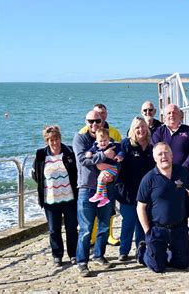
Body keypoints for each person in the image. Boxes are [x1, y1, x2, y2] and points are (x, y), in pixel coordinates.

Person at [136, 142, 189, 273]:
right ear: (155, 158)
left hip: (179, 228)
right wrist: (148, 231)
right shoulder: (149, 179)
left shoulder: (181, 172)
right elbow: (140, 207)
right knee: (157, 268)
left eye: (166, 152)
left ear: (172, 155)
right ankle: (143, 252)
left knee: (183, 264)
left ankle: (164, 253)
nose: (163, 156)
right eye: (160, 154)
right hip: (157, 229)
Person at [73, 110, 115, 276]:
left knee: (104, 225)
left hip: (106, 188)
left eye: (97, 121)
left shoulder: (108, 138)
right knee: (85, 228)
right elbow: (82, 160)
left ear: (103, 121)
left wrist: (111, 171)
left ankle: (99, 255)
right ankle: (82, 262)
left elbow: (116, 160)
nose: (94, 124)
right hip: (86, 188)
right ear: (86, 121)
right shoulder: (80, 138)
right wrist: (103, 156)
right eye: (90, 121)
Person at [32, 125, 78, 267]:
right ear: (47, 141)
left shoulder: (70, 152)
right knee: (53, 229)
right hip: (50, 199)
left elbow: (77, 172)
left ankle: (74, 254)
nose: (54, 142)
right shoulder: (40, 155)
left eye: (56, 138)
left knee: (71, 227)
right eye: (51, 140)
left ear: (60, 138)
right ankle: (57, 255)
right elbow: (35, 175)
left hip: (69, 198)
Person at [79, 103, 121, 246]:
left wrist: (114, 175)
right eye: (95, 117)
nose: (97, 121)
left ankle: (108, 237)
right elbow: (84, 160)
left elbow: (118, 155)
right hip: (89, 183)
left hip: (109, 178)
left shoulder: (113, 132)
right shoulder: (83, 134)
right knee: (89, 221)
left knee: (107, 214)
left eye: (102, 114)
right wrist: (100, 159)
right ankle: (91, 238)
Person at [115, 117, 155, 261]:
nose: (141, 130)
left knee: (142, 223)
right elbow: (118, 164)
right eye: (137, 127)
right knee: (129, 222)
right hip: (128, 192)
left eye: (143, 126)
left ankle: (141, 250)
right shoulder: (126, 144)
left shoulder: (152, 146)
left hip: (146, 193)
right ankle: (124, 251)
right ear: (133, 129)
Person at [152, 104, 189, 221]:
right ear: (164, 116)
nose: (171, 115)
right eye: (168, 113)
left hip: (184, 176)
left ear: (180, 116)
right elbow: (155, 151)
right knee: (165, 207)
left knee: (183, 209)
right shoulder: (159, 132)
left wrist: (182, 169)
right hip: (163, 177)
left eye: (174, 113)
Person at [86, 128, 124, 208]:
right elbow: (91, 151)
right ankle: (105, 198)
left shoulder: (113, 145)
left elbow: (121, 150)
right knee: (103, 181)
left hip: (113, 168)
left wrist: (119, 156)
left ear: (109, 139)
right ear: (97, 140)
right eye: (101, 141)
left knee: (100, 178)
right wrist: (89, 153)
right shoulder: (95, 146)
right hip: (105, 169)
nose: (103, 143)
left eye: (105, 140)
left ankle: (98, 194)